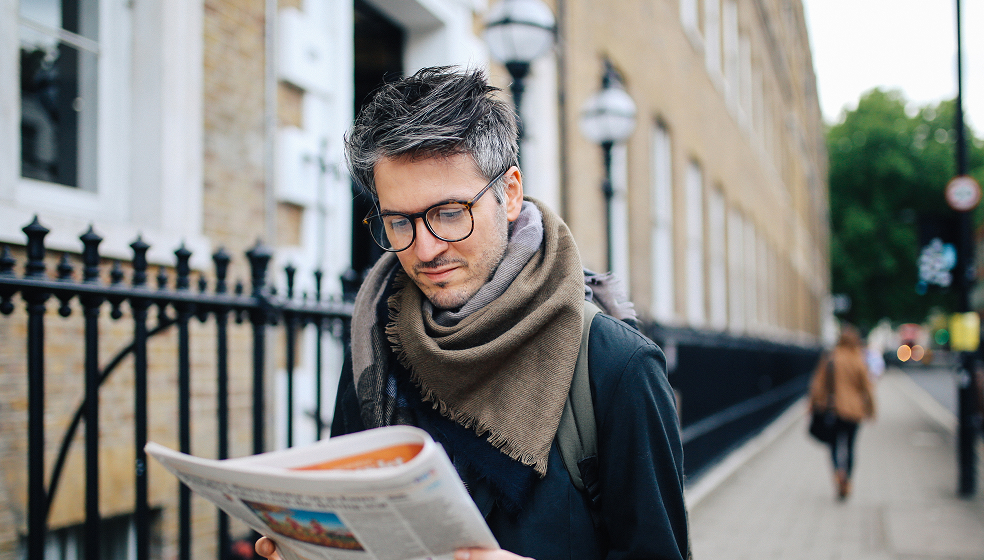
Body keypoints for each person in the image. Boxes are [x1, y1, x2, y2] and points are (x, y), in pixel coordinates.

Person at [256, 66, 690, 559]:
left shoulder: (617, 367)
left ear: (509, 193)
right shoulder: (374, 342)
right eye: (399, 222)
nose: (424, 249)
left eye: (449, 213)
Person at [809, 324, 877, 500]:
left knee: (833, 445)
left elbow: (817, 385)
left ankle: (837, 473)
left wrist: (813, 404)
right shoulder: (858, 360)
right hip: (854, 412)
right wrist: (871, 410)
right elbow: (867, 388)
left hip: (833, 409)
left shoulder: (831, 358)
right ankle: (847, 478)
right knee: (850, 447)